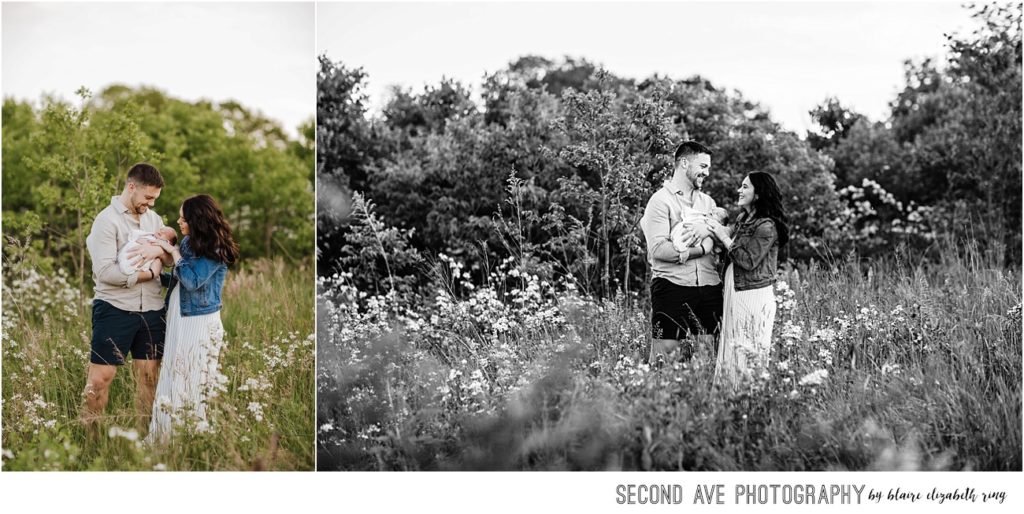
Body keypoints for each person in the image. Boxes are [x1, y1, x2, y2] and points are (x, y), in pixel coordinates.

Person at [82, 163, 172, 435]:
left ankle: (144, 440)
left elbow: (167, 256)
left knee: (149, 378)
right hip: (115, 308)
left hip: (152, 310)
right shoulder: (106, 221)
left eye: (154, 199)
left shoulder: (153, 220)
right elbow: (106, 272)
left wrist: (159, 257)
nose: (150, 204)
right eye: (147, 198)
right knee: (100, 380)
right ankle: (91, 441)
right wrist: (148, 272)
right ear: (131, 187)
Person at [145, 194, 239, 442]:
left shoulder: (215, 249)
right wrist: (150, 276)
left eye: (183, 218)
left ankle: (187, 436)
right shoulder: (188, 243)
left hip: (199, 321)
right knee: (173, 372)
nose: (179, 222)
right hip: (179, 314)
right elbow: (178, 280)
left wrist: (173, 253)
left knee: (192, 377)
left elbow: (192, 281)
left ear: (197, 220)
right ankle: (163, 436)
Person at [640, 140, 723, 364]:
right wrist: (702, 248)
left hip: (709, 287)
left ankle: (700, 399)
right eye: (703, 166)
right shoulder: (660, 201)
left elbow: (720, 236)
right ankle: (659, 398)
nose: (707, 172)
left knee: (707, 359)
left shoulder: (708, 203)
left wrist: (710, 233)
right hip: (672, 286)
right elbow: (659, 250)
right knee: (664, 358)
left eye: (708, 167)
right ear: (684, 163)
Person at [705, 171, 789, 385]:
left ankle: (746, 404)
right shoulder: (744, 218)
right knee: (731, 346)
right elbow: (725, 234)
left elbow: (748, 260)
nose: (739, 191)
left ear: (758, 194)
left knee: (748, 350)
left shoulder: (767, 226)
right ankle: (727, 401)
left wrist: (723, 235)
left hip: (754, 295)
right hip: (737, 290)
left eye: (745, 187)